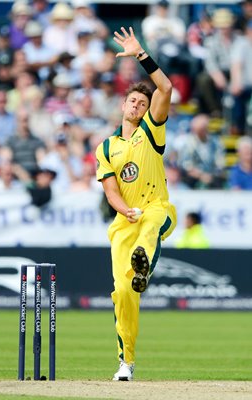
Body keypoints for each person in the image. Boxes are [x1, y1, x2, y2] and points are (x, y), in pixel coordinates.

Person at [95, 27, 177, 381]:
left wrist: (141, 54)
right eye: (134, 101)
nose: (139, 106)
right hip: (124, 221)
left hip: (156, 209)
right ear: (123, 105)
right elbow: (111, 189)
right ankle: (125, 362)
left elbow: (167, 88)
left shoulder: (151, 131)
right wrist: (122, 210)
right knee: (123, 293)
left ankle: (143, 268)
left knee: (151, 228)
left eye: (144, 104)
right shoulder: (106, 147)